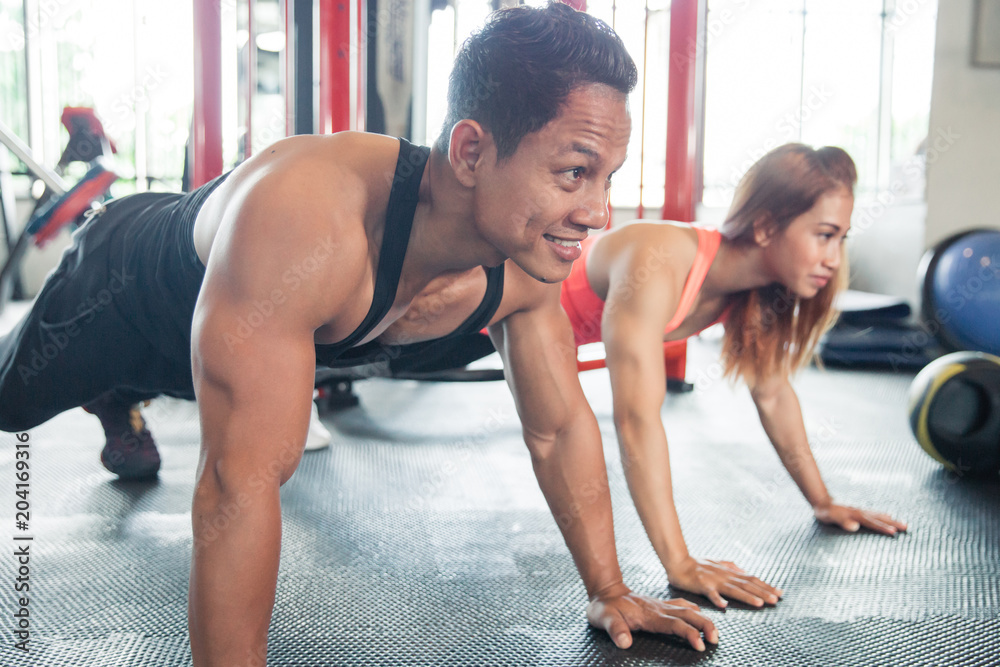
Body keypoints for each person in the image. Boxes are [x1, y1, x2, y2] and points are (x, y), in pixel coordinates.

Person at [0, 3, 718, 663]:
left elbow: (558, 429)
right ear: (470, 152)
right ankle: (110, 389)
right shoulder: (305, 218)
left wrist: (610, 587)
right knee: (11, 404)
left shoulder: (526, 268)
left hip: (248, 340)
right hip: (122, 293)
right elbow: (236, 486)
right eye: (574, 173)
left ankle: (119, 398)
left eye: (607, 178)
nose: (598, 213)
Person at [385, 143, 908, 610]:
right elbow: (636, 421)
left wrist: (824, 502)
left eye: (840, 239)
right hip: (453, 312)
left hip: (492, 335)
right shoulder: (661, 257)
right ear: (768, 225)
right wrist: (678, 564)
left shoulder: (745, 297)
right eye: (824, 235)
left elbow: (773, 395)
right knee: (345, 342)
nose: (832, 259)